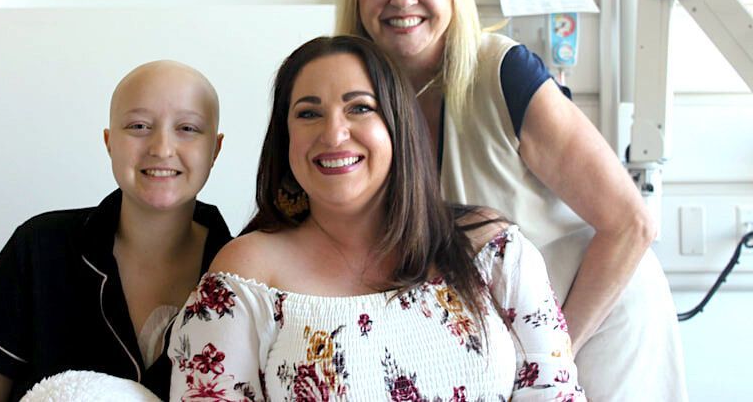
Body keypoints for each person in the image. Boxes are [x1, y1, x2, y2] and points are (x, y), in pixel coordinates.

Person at [334, 0, 686, 401]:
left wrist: (552, 355)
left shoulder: (505, 73)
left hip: (597, 308)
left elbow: (631, 223)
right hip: (495, 335)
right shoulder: (357, 101)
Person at [168, 36, 585, 400]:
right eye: (309, 113)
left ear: (397, 125)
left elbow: (555, 392)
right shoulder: (245, 274)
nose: (333, 134)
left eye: (360, 108)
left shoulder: (494, 250)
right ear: (285, 137)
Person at [0, 60, 232, 401]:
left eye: (188, 128)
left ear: (214, 150)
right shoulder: (40, 247)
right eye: (139, 125)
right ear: (109, 141)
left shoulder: (243, 274)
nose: (161, 148)